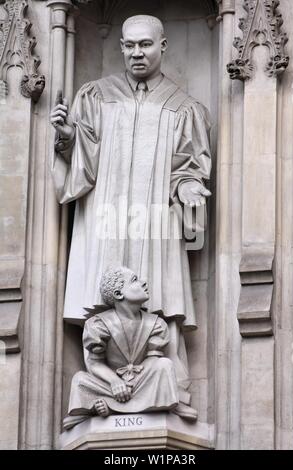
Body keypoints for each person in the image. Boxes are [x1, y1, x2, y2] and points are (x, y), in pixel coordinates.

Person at [51, 15, 211, 420]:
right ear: (120, 46)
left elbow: (189, 166)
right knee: (106, 294)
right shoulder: (96, 95)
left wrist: (188, 187)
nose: (136, 53)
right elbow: (79, 163)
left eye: (144, 45)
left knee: (159, 293)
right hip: (106, 217)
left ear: (163, 46)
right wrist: (67, 140)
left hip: (155, 220)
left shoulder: (184, 107)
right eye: (128, 46)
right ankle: (101, 389)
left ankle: (169, 390)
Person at [64, 267, 181, 430]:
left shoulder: (156, 323)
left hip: (141, 380)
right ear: (119, 294)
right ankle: (117, 404)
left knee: (164, 365)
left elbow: (153, 358)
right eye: (135, 280)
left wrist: (130, 383)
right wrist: (115, 382)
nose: (144, 282)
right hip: (110, 383)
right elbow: (94, 363)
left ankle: (110, 407)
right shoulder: (98, 324)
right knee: (80, 380)